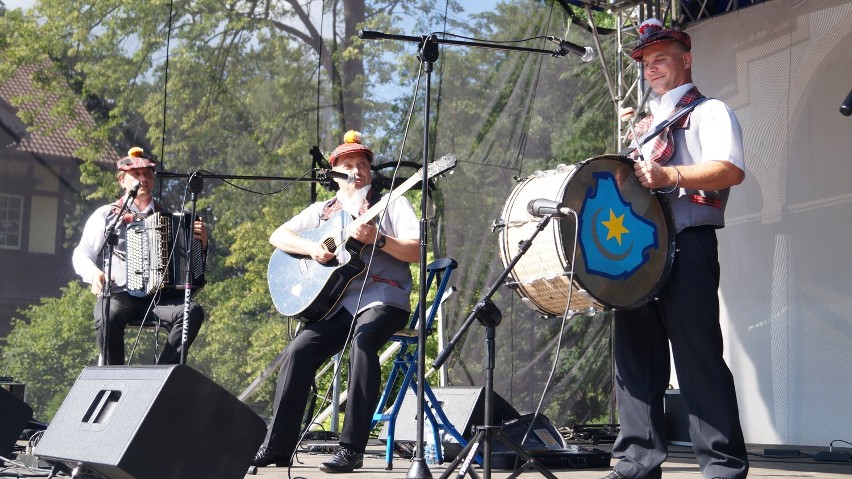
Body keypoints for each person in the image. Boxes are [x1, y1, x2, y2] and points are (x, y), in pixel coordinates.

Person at [605, 18, 749, 479]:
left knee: (697, 355)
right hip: (639, 251)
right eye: (646, 62)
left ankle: (722, 465)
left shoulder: (711, 111)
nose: (651, 67)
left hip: (687, 243)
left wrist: (671, 176)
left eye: (660, 58)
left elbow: (729, 169)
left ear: (686, 60)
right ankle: (636, 460)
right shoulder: (643, 126)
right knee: (635, 355)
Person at [253, 131, 420, 473]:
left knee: (363, 343)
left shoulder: (392, 203)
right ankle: (278, 447)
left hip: (383, 298)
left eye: (363, 164)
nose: (358, 170)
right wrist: (313, 248)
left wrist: (380, 239)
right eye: (349, 165)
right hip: (336, 304)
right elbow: (278, 236)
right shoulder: (322, 211)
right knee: (298, 351)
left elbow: (417, 250)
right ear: (334, 173)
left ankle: (351, 449)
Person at [72, 147, 208, 365]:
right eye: (136, 174)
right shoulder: (106, 215)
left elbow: (190, 274)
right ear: (121, 180)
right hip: (120, 296)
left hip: (158, 299)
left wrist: (201, 246)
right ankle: (112, 376)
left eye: (147, 174)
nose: (143, 178)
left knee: (192, 311)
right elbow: (82, 253)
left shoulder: (171, 219)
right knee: (108, 313)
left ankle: (162, 374)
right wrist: (93, 274)